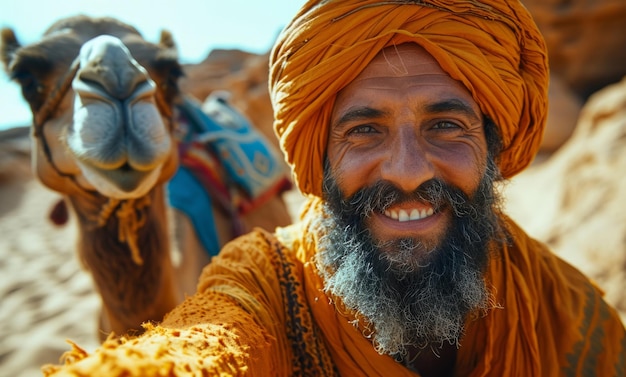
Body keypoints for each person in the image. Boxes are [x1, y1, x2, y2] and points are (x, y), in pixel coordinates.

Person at [43, 0, 625, 376]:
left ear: (494, 147)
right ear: (317, 153)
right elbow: (204, 345)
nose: (405, 170)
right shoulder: (262, 283)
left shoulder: (556, 305)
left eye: (446, 126)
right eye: (364, 130)